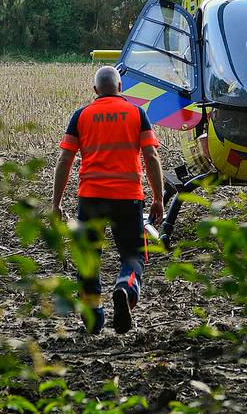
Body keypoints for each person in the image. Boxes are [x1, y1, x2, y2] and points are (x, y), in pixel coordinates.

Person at [51, 66, 164, 335]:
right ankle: (125, 288)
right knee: (133, 255)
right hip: (128, 198)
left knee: (88, 258)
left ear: (95, 91)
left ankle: (93, 317)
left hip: (91, 198)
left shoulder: (81, 116)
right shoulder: (137, 114)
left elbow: (64, 159)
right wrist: (158, 197)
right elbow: (151, 157)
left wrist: (55, 203)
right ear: (120, 87)